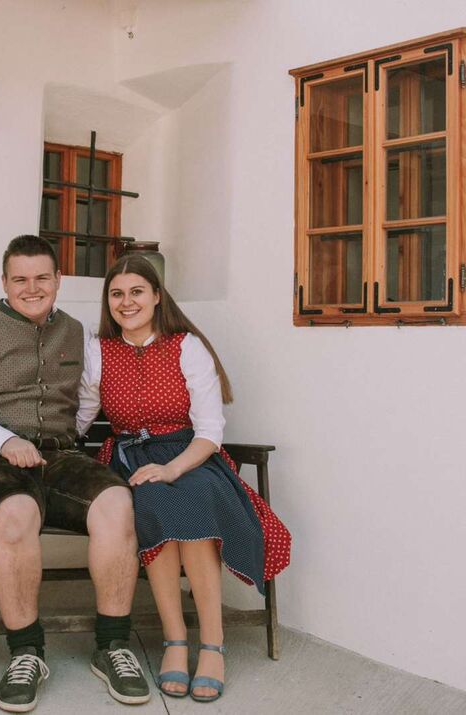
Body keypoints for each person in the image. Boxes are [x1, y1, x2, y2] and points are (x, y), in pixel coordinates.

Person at [0, 236, 151, 713]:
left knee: (117, 503)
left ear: (58, 280)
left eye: (42, 278)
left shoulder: (78, 333)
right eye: (20, 279)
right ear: (4, 282)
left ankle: (112, 645)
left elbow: (88, 398)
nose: (32, 288)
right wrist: (3, 440)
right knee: (15, 512)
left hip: (59, 457)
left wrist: (62, 437)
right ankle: (25, 652)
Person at [78, 255, 292, 703]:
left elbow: (210, 432)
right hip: (131, 459)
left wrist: (173, 467)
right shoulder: (99, 352)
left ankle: (212, 644)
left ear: (157, 296)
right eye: (117, 294)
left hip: (190, 456)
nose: (126, 302)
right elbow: (80, 417)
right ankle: (175, 640)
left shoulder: (186, 346)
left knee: (192, 503)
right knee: (153, 501)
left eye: (137, 291)